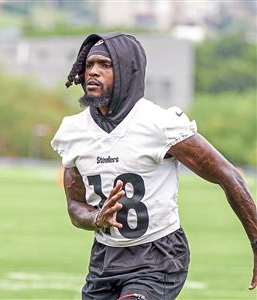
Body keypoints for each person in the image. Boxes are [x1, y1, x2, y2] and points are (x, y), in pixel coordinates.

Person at [51, 32, 257, 300]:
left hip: (159, 255)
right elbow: (75, 206)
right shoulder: (72, 131)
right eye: (89, 65)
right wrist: (96, 218)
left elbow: (229, 176)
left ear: (127, 71)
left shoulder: (160, 124)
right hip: (105, 257)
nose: (93, 72)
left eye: (105, 65)